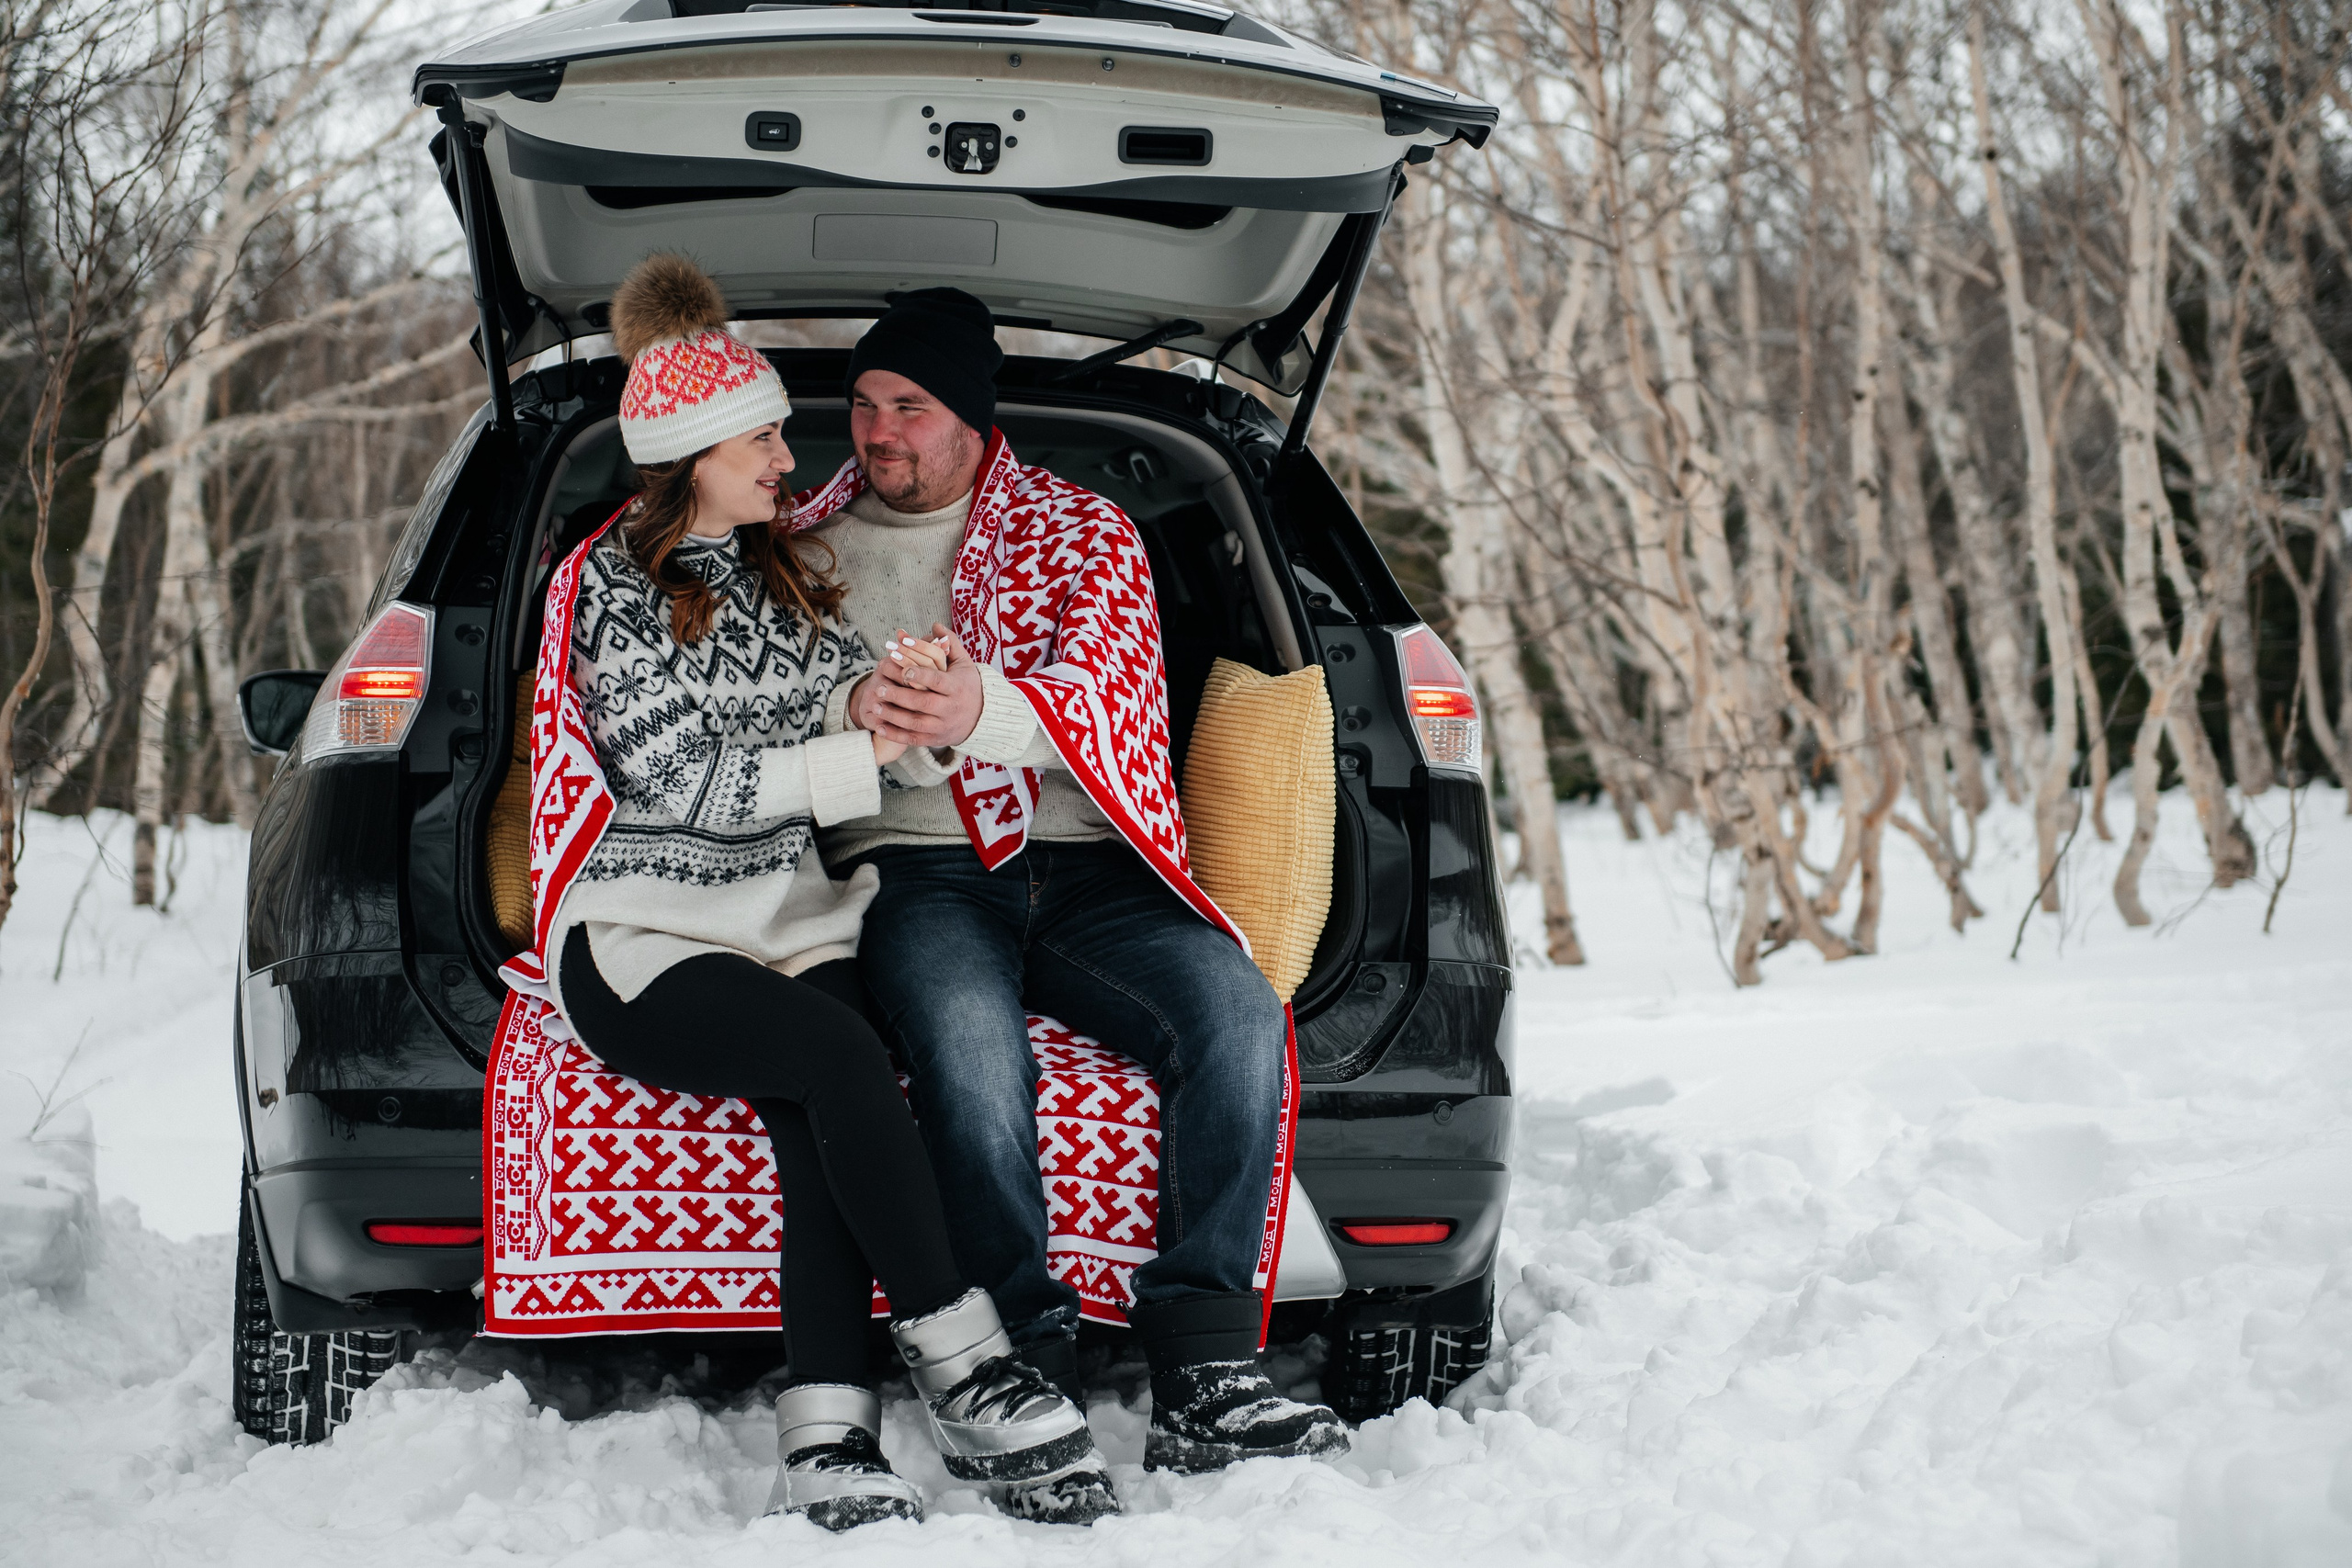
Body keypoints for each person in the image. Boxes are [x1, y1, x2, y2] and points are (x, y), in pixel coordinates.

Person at [544, 255, 1101, 1531]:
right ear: (690, 455)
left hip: (789, 913)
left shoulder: (775, 567)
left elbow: (819, 690)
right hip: (650, 928)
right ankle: (965, 1362)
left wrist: (881, 699)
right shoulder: (615, 591)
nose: (791, 464)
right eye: (761, 446)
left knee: (827, 1109)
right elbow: (679, 783)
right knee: (843, 1071)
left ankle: (829, 1436)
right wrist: (859, 753)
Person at [801, 288, 1348, 1517]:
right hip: (917, 864)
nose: (880, 433)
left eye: (910, 408)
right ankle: (1023, 1360)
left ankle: (1206, 1364)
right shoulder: (802, 549)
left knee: (1233, 1012)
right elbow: (767, 711)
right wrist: (860, 718)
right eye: (867, 405)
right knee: (969, 1048)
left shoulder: (1082, 531)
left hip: (1090, 862)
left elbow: (1110, 684)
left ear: (974, 423)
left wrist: (982, 706)